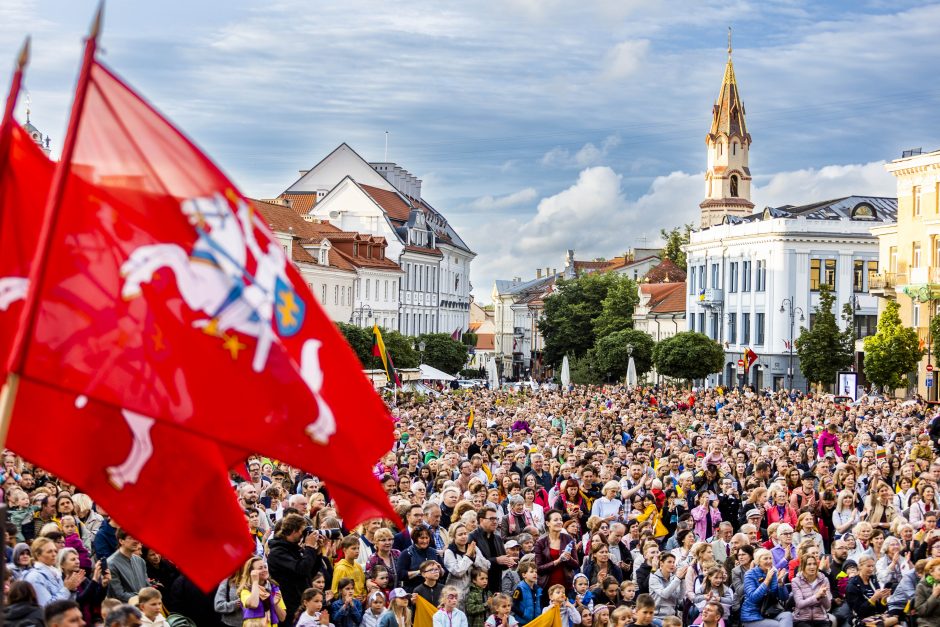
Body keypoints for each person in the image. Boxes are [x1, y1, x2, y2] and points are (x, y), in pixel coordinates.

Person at [266, 513, 323, 623]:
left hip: (302, 603)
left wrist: (317, 552)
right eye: (302, 531)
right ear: (293, 531)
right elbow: (301, 569)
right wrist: (309, 547)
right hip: (290, 606)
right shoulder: (277, 553)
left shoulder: (294, 548)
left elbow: (310, 573)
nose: (304, 535)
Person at [740, 548, 793, 627]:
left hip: (770, 612)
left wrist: (780, 583)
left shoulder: (773, 572)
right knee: (778, 625)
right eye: (765, 559)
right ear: (758, 561)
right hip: (753, 616)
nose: (769, 561)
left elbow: (784, 598)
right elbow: (753, 597)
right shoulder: (750, 574)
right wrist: (767, 581)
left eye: (770, 558)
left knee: (788, 615)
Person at [24, 537, 83, 607]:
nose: (54, 554)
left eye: (55, 551)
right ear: (38, 555)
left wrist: (72, 590)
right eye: (49, 551)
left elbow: (67, 604)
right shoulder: (35, 577)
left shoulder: (55, 572)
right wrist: (67, 589)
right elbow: (46, 607)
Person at [846, 555, 898, 627]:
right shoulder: (852, 585)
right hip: (860, 619)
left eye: (873, 566)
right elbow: (859, 612)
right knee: (887, 622)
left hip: (876, 616)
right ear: (860, 566)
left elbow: (881, 610)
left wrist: (884, 599)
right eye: (868, 566)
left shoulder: (873, 580)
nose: (871, 569)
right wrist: (874, 598)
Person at [445, 522, 492, 599]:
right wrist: (468, 556)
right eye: (460, 534)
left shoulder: (473, 547)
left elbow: (487, 566)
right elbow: (458, 571)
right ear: (453, 537)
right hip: (456, 595)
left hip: (474, 593)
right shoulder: (449, 552)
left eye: (465, 533)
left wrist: (474, 557)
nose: (464, 536)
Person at [470, 507, 511, 594]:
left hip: (496, 585)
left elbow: (502, 563)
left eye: (496, 518)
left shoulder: (498, 538)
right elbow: (474, 562)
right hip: (479, 587)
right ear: (481, 520)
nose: (495, 521)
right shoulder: (472, 537)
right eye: (491, 519)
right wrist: (496, 560)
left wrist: (508, 561)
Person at [534, 510, 576, 594]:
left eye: (560, 519)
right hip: (547, 588)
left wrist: (569, 558)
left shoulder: (568, 539)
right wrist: (557, 561)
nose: (559, 522)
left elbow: (576, 564)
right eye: (555, 520)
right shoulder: (540, 543)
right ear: (547, 523)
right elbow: (538, 568)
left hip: (566, 587)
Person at [239, 556, 287, 626]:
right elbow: (253, 604)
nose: (265, 570)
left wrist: (275, 605)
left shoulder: (274, 588)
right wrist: (255, 582)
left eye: (265, 567)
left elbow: (282, 618)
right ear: (251, 572)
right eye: (260, 568)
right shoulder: (246, 590)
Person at [105, 530, 148, 603]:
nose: (136, 541)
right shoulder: (111, 563)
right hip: (124, 610)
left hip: (143, 607)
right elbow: (119, 594)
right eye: (131, 538)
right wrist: (142, 598)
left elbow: (147, 585)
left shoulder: (140, 561)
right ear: (121, 541)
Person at [790, 555, 831, 627]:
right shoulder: (796, 581)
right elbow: (800, 604)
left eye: (814, 564)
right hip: (802, 619)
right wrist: (817, 596)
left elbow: (828, 606)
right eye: (809, 564)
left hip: (821, 618)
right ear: (803, 566)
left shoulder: (824, 580)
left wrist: (823, 596)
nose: (812, 567)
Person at [649, 552, 685, 620]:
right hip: (657, 617)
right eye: (669, 562)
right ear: (661, 563)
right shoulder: (654, 577)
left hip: (672, 616)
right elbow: (664, 594)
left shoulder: (674, 578)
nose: (672, 565)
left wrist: (682, 580)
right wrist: (678, 579)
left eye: (673, 562)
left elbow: (680, 597)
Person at [332, 535, 366, 599]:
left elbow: (363, 586)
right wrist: (352, 598)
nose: (357, 551)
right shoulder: (341, 568)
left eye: (358, 548)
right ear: (345, 550)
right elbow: (335, 592)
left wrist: (363, 596)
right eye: (353, 548)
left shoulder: (358, 567)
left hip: (360, 604)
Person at [913, 557, 940, 627]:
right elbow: (921, 611)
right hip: (929, 623)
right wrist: (934, 595)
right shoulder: (921, 586)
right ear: (931, 572)